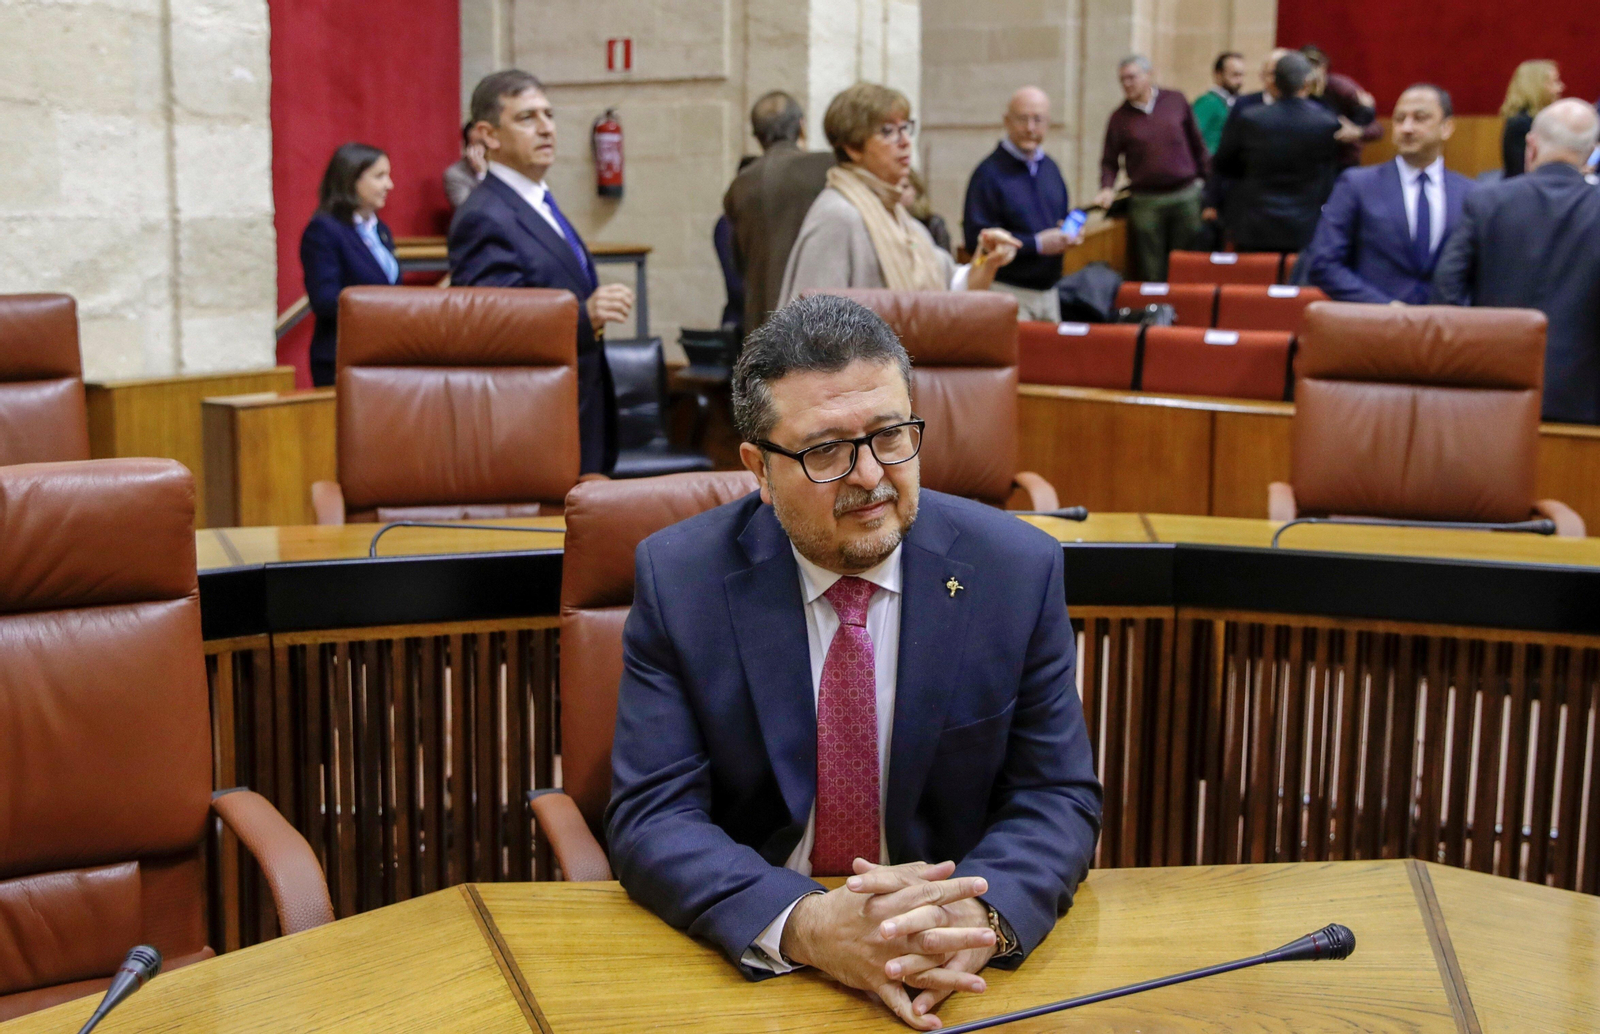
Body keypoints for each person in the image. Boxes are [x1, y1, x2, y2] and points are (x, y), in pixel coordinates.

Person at [606, 292, 1102, 1030]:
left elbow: (1057, 795)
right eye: (826, 451)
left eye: (891, 435)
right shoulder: (681, 581)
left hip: (951, 973)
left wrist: (979, 918)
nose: (871, 476)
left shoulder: (1014, 570)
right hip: (758, 972)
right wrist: (807, 925)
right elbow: (653, 814)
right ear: (759, 469)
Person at [449, 69, 634, 475]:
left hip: (577, 407)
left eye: (549, 115)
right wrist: (585, 315)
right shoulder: (483, 215)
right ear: (489, 134)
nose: (547, 128)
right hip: (532, 425)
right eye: (527, 118)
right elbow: (489, 329)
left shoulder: (539, 202)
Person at [1432, 99, 1600, 424]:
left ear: (1531, 146)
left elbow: (1445, 290)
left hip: (1492, 391)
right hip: (1584, 402)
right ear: (1591, 152)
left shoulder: (1486, 200)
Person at [779, 83, 1021, 304]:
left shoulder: (903, 220)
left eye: (905, 128)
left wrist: (985, 261)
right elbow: (809, 323)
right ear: (852, 147)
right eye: (887, 131)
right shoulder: (838, 216)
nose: (905, 141)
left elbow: (949, 289)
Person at [1303, 85, 1472, 305]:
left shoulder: (1470, 194)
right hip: (1376, 326)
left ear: (1447, 127)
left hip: (1447, 329)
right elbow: (1323, 262)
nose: (1407, 128)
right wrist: (1383, 306)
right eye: (1400, 119)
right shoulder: (1357, 185)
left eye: (1420, 118)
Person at [961, 86, 1077, 322]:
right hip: (1008, 292)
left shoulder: (1051, 168)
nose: (1030, 128)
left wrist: (1068, 233)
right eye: (1022, 119)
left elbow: (1057, 217)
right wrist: (1036, 244)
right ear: (1007, 121)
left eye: (1038, 119)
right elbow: (977, 238)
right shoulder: (988, 174)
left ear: (1048, 123)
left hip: (1050, 293)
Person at [723, 91, 836, 333]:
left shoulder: (740, 184)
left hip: (760, 325)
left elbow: (737, 262)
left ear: (758, 137)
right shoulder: (827, 168)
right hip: (817, 323)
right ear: (801, 126)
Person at [1210, 52, 1340, 254]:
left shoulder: (1250, 118)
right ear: (1306, 83)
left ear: (1274, 83)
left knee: (1254, 283)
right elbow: (1328, 173)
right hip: (1304, 224)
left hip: (1255, 222)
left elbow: (1223, 164)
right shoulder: (1326, 122)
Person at [1095, 55, 1209, 282]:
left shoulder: (1175, 100)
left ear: (1148, 75)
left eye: (1132, 77)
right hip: (1146, 200)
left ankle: (1185, 306)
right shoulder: (1119, 118)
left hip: (1185, 195)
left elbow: (1198, 145)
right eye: (1122, 80)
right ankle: (1156, 310)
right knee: (1150, 264)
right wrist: (1106, 187)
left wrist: (1210, 186)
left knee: (1186, 260)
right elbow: (1109, 161)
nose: (1127, 84)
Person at [299, 143, 399, 388]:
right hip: (344, 359)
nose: (390, 185)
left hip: (385, 356)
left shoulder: (381, 231)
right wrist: (385, 308)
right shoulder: (324, 230)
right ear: (351, 178)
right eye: (379, 176)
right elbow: (325, 300)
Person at [1300, 44, 1380, 169]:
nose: (1312, 70)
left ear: (1324, 67)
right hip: (1308, 161)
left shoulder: (1341, 88)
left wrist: (1358, 131)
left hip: (1342, 160)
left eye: (1316, 65)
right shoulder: (1293, 91)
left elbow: (1376, 128)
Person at [1500, 60, 1564, 178]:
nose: (1560, 88)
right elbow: (1520, 173)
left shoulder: (1539, 120)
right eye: (1555, 82)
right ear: (1537, 87)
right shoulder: (1521, 124)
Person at [1193, 52, 1246, 153]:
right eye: (1235, 75)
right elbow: (1192, 135)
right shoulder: (1207, 102)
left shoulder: (1237, 102)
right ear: (1218, 75)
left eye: (1241, 75)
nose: (1240, 81)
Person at [900, 170, 951, 254]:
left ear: (916, 190)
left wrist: (914, 246)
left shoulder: (933, 223)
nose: (899, 192)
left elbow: (944, 257)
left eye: (905, 187)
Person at [443, 121, 487, 209]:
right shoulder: (455, 175)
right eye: (481, 143)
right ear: (469, 149)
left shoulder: (504, 165)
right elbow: (469, 212)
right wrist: (482, 175)